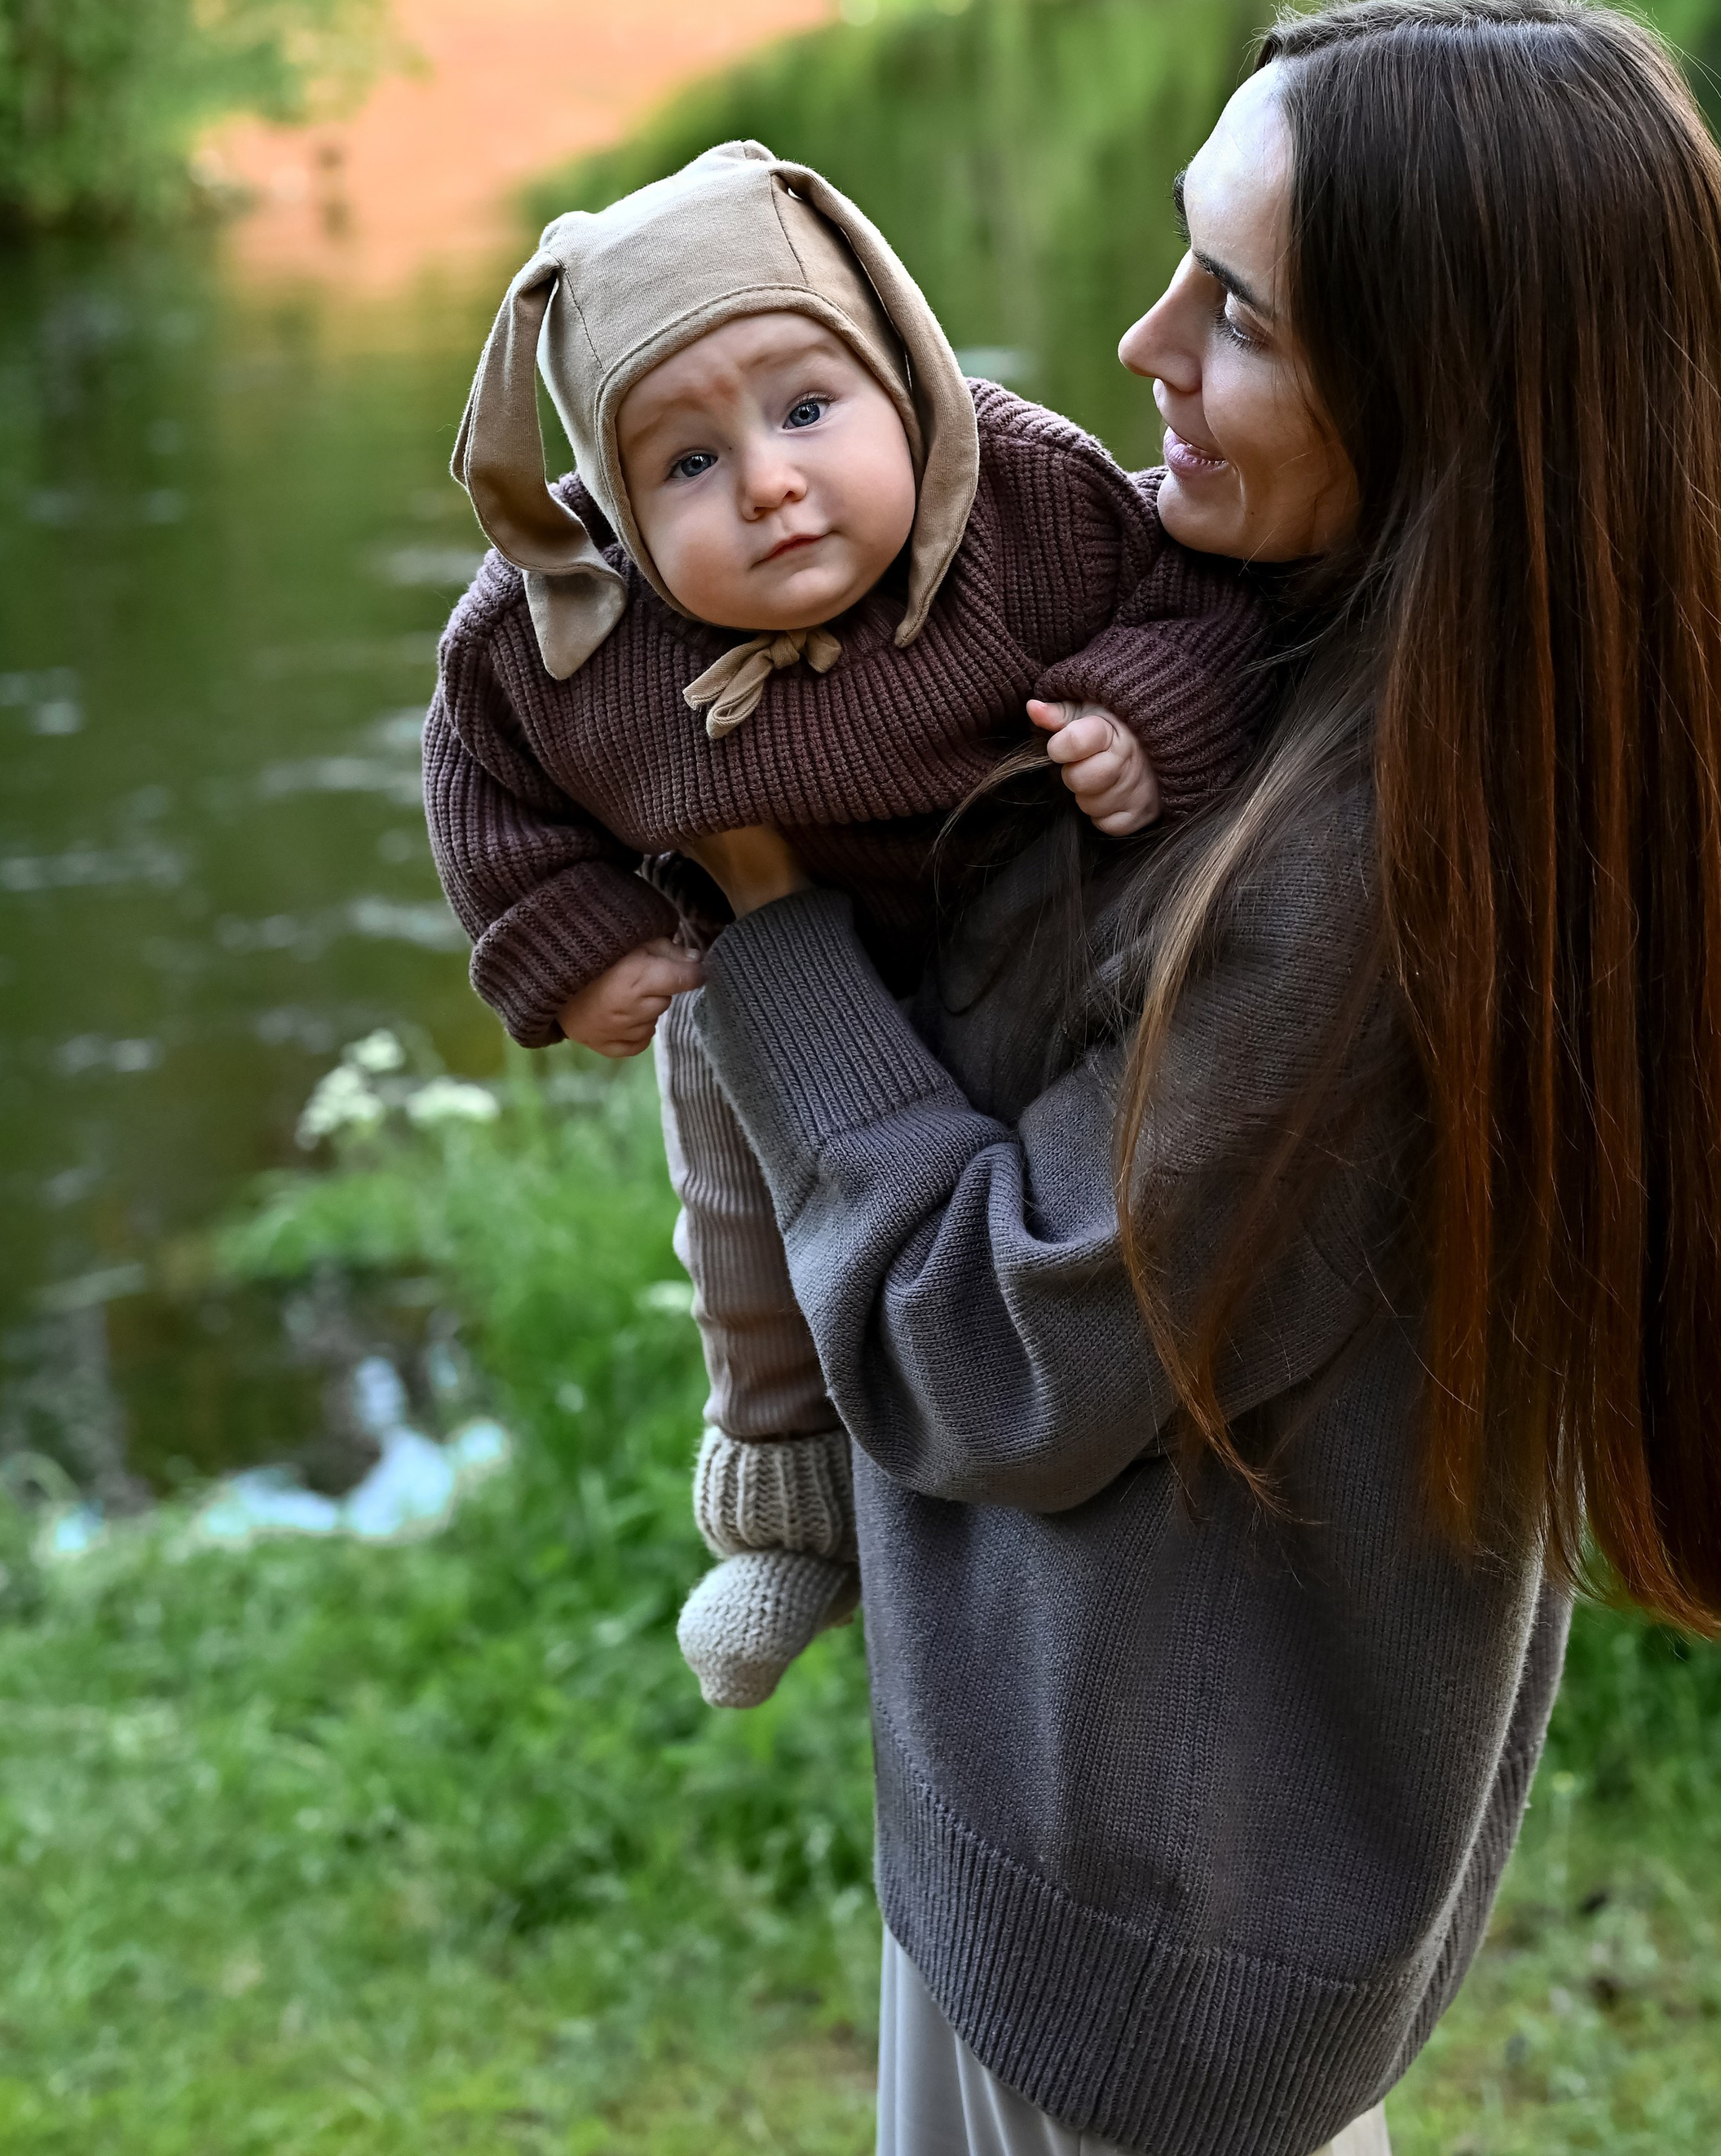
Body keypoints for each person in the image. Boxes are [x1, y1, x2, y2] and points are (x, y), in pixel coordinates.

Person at [673, 0, 1721, 2156]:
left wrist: (764, 930)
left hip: (1138, 1952)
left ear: (1451, 402)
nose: (1142, 342)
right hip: (1141, 1891)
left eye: (1233, 312)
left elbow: (985, 1355)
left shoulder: (1371, 888)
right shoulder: (1422, 703)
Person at [423, 139, 1273, 1704]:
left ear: (903, 371)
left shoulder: (1024, 499)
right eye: (684, 464)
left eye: (809, 408)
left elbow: (1198, 601)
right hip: (763, 968)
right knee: (734, 1209)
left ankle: (1024, 1423)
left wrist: (1138, 714)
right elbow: (485, 781)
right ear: (611, 502)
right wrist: (581, 940)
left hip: (1029, 919)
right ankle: (779, 1497)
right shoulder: (563, 627)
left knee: (1031, 1195)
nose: (766, 481)